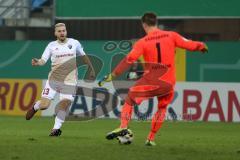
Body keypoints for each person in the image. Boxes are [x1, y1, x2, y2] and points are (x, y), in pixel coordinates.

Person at [98, 12, 208, 146]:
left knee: (130, 99)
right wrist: (201, 46)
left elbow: (129, 60)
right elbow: (190, 44)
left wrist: (113, 75)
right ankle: (150, 138)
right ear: (156, 22)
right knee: (162, 108)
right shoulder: (171, 35)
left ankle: (123, 126)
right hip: (168, 83)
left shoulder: (142, 42)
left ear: (144, 24)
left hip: (152, 81)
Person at [26, 23, 95, 136]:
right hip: (54, 79)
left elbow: (83, 56)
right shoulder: (51, 46)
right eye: (59, 31)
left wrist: (91, 69)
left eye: (63, 31)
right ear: (55, 33)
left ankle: (56, 129)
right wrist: (37, 62)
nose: (62, 33)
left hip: (70, 80)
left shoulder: (74, 43)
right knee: (45, 105)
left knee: (65, 103)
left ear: (66, 32)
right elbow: (43, 60)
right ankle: (36, 106)